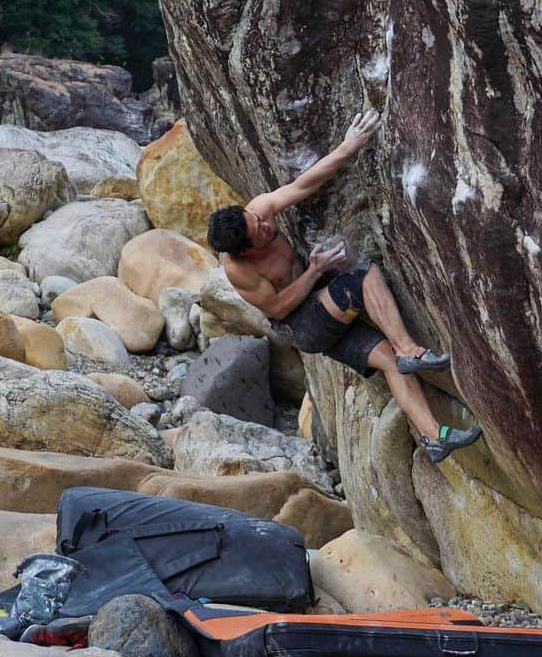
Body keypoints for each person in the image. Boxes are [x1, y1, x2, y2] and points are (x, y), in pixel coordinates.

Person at [207, 110, 483, 464]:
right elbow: (276, 308)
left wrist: (347, 147)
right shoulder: (239, 269)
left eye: (258, 219)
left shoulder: (257, 213)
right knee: (362, 278)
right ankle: (410, 349)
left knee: (387, 360)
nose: (264, 224)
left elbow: (302, 185)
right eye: (258, 229)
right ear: (245, 250)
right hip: (302, 324)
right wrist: (315, 271)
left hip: (321, 311)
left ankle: (434, 436)